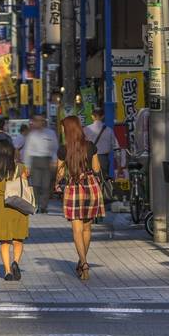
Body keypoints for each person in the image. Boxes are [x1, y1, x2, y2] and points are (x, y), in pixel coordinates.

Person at [56, 114, 103, 281]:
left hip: (74, 188)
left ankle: (83, 263)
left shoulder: (63, 149)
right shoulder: (90, 146)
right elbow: (97, 169)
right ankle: (82, 262)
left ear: (68, 130)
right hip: (91, 188)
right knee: (87, 229)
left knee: (76, 230)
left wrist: (57, 180)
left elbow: (60, 173)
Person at [0, 134, 30, 281]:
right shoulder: (21, 168)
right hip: (18, 206)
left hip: (1, 206)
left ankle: (7, 272)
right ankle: (15, 262)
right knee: (18, 239)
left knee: (5, 241)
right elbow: (24, 183)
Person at [22, 115, 58, 213]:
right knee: (36, 185)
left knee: (46, 185)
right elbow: (27, 151)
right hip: (35, 161)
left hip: (48, 160)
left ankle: (44, 206)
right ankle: (36, 204)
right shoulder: (32, 135)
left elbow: (55, 148)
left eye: (41, 120)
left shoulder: (51, 133)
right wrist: (27, 166)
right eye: (36, 120)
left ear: (43, 122)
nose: (39, 122)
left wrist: (54, 160)